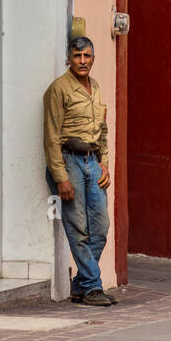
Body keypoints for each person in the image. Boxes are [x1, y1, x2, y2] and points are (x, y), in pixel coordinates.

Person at [43, 36, 115, 307]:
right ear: (69, 59)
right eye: (77, 56)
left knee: (101, 227)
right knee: (78, 229)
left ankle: (80, 285)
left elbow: (102, 130)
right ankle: (93, 287)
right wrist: (60, 177)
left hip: (92, 161)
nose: (82, 61)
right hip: (69, 160)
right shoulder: (58, 89)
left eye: (86, 56)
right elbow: (51, 137)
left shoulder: (94, 87)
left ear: (93, 58)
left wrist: (104, 161)